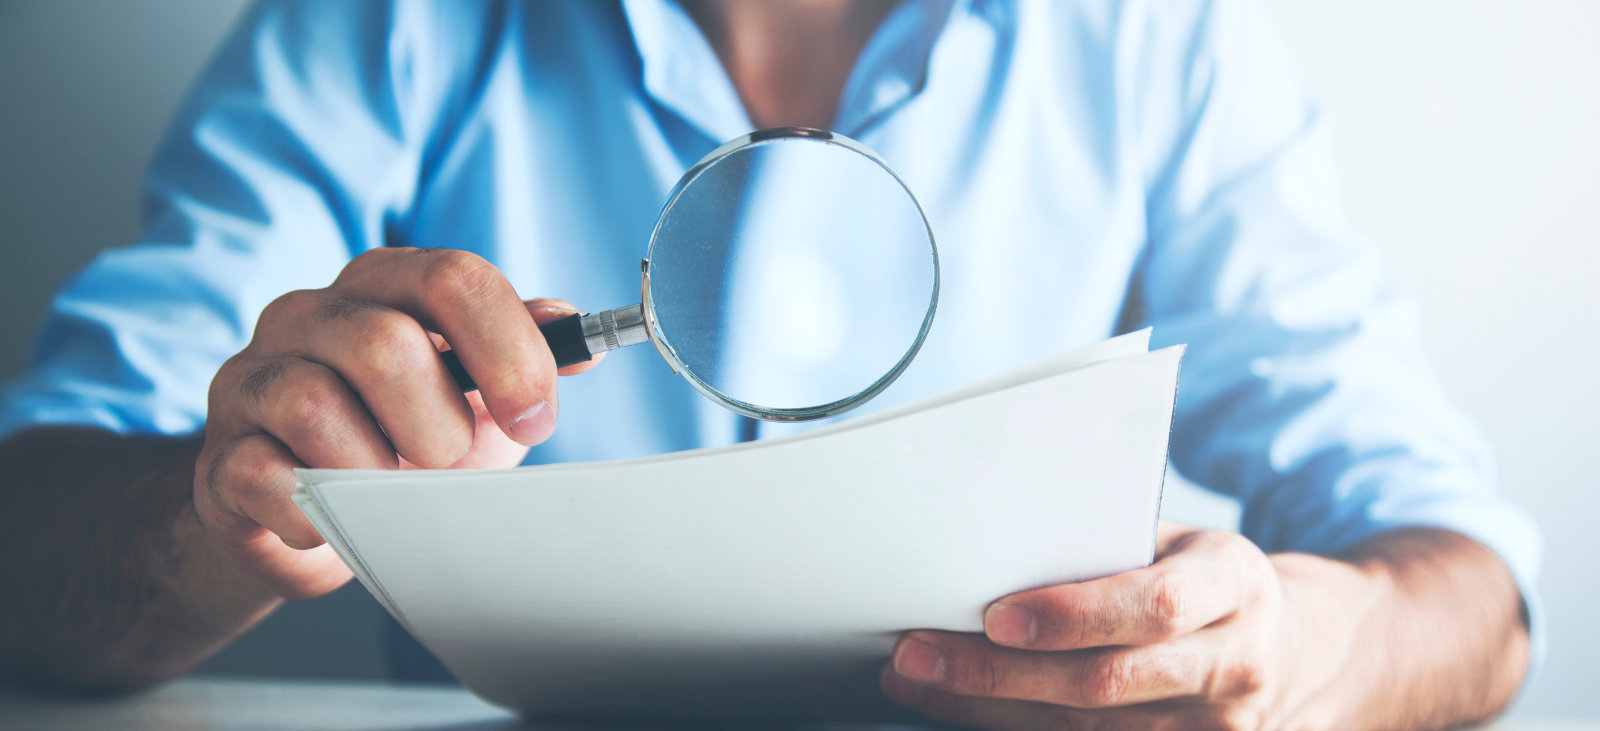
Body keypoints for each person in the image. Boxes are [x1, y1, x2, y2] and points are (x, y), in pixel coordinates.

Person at [0, 0, 1539, 728]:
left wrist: (1303, 650)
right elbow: (27, 549)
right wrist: (231, 509)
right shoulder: (380, 26)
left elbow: (1478, 599)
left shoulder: (1156, 40)